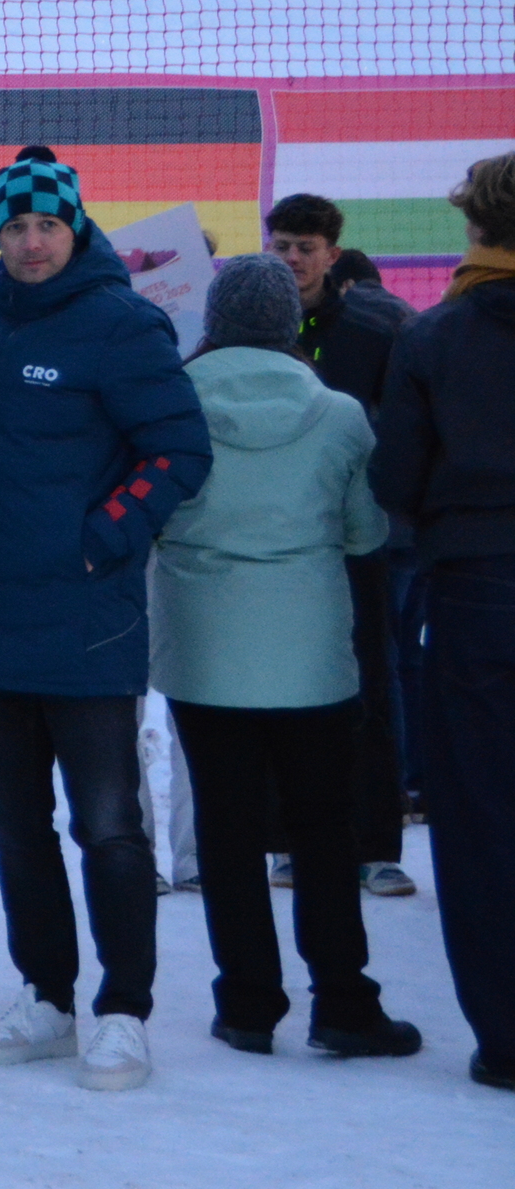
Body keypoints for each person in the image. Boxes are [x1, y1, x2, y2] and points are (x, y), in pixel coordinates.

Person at [0, 148, 210, 1091]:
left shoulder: (121, 321)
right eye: (15, 227)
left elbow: (179, 448)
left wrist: (105, 535)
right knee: (16, 826)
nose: (31, 242)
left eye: (47, 225)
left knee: (107, 825)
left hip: (87, 621)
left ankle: (124, 1010)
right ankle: (48, 997)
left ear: (76, 226)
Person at [156, 256, 423, 1061]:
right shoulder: (340, 415)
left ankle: (246, 1004)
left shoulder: (172, 403)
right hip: (311, 657)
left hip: (204, 650)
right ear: (288, 323)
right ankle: (343, 1002)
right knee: (324, 827)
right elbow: (366, 534)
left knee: (227, 828)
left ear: (214, 322)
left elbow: (153, 515)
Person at [370, 151, 515, 1091]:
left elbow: (396, 480)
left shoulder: (435, 336)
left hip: (477, 590)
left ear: (475, 224)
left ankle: (506, 1034)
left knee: (481, 816)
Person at [268, 191, 420, 896]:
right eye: (282, 246)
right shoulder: (248, 329)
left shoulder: (373, 330)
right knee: (279, 686)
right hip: (273, 540)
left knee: (370, 684)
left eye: (306, 248)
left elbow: (404, 429)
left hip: (358, 540)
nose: (293, 259)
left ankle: (376, 845)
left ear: (333, 254)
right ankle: (287, 841)